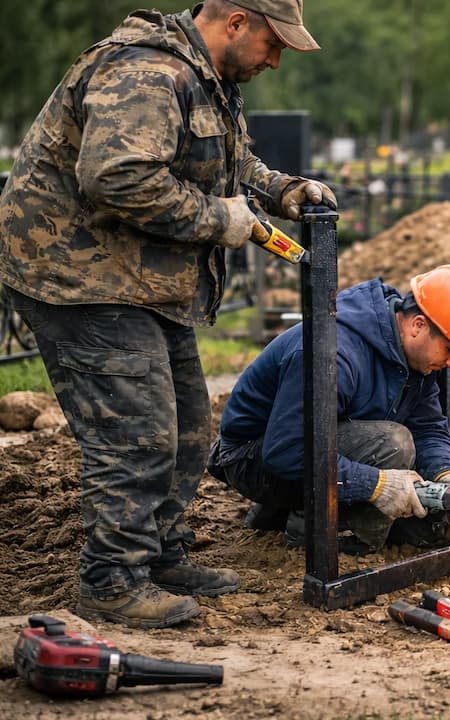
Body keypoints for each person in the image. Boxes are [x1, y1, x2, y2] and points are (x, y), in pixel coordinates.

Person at [0, 0, 336, 629]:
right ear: (235, 21)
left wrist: (279, 191)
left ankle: (159, 557)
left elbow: (225, 161)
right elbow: (116, 177)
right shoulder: (148, 71)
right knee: (138, 436)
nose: (274, 60)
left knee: (186, 427)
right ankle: (111, 583)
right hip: (79, 276)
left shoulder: (207, 78)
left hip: (138, 278)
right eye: (273, 44)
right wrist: (221, 219)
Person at [208, 264, 450, 553]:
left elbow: (429, 427)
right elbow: (286, 450)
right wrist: (377, 485)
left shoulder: (414, 360)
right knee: (394, 444)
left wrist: (446, 475)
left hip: (311, 446)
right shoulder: (334, 353)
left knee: (433, 526)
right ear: (418, 325)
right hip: (252, 457)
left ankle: (285, 512)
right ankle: (309, 525)